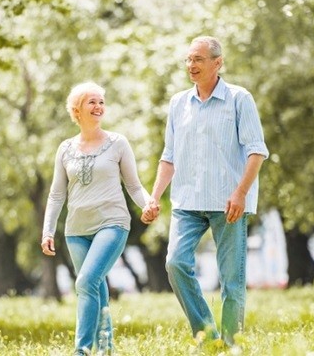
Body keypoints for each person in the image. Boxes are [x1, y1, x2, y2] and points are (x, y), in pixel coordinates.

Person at [141, 36, 269, 347]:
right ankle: (208, 335)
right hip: (187, 202)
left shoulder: (239, 99)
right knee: (175, 263)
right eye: (188, 60)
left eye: (198, 59)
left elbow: (257, 151)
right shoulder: (178, 104)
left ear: (217, 62)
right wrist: (154, 196)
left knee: (232, 282)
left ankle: (230, 344)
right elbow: (169, 156)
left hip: (228, 203)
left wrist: (240, 193)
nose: (191, 65)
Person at [41, 81, 151, 356]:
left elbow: (134, 186)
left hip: (111, 224)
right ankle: (106, 348)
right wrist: (48, 231)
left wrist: (148, 204)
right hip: (76, 231)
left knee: (85, 282)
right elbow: (56, 195)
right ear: (76, 110)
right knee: (96, 288)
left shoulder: (117, 143)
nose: (98, 106)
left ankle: (82, 350)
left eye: (101, 101)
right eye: (92, 101)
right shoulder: (65, 148)